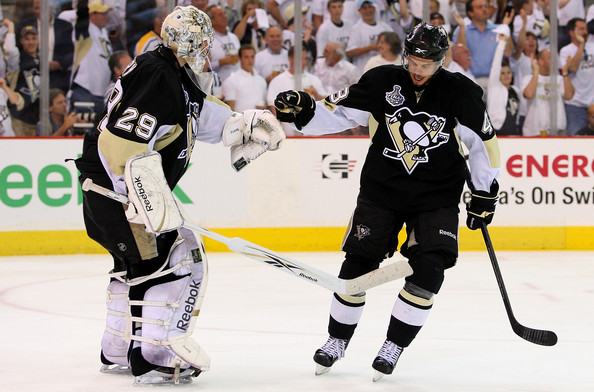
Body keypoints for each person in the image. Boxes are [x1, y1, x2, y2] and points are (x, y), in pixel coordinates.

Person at [273, 22, 501, 380]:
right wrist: (304, 110)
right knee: (357, 265)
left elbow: (483, 145)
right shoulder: (382, 80)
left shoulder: (461, 92)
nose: (417, 69)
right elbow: (339, 113)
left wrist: (486, 192)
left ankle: (393, 345)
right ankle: (337, 340)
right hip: (382, 191)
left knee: (429, 270)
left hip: (436, 197)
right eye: (412, 60)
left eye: (426, 64)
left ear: (441, 61)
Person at [74, 6, 285, 386]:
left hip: (112, 190)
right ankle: (155, 355)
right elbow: (121, 144)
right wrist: (142, 200)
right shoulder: (159, 76)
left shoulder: (171, 74)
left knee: (135, 268)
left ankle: (120, 347)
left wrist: (246, 123)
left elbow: (198, 115)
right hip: (119, 192)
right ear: (188, 44)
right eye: (204, 44)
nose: (208, 52)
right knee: (174, 261)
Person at [71, 0, 113, 120]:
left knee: (97, 132)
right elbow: (82, 14)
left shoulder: (104, 32)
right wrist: (85, 7)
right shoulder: (86, 31)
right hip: (85, 90)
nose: (106, 16)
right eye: (102, 14)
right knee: (83, 130)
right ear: (92, 15)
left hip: (102, 93)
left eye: (106, 13)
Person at [521, 49, 575, 136]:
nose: (554, 61)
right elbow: (529, 94)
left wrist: (565, 72)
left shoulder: (560, 79)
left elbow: (569, 95)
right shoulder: (528, 78)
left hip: (558, 131)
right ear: (541, 62)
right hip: (534, 131)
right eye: (550, 58)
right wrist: (536, 72)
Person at [559, 17, 594, 135]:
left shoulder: (593, 47)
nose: (585, 32)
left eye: (585, 29)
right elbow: (573, 68)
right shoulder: (565, 51)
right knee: (576, 140)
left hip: (592, 104)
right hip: (575, 105)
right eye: (581, 29)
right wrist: (581, 46)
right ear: (571, 33)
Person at [7, 25, 40, 136]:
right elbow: (10, 50)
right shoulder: (17, 60)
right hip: (19, 118)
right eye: (27, 39)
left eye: (34, 38)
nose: (31, 42)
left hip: (37, 119)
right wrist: (10, 27)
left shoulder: (41, 60)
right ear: (21, 41)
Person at [346, 0, 393, 73]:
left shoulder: (385, 27)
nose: (368, 10)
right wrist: (371, 48)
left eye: (370, 7)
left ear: (374, 8)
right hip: (363, 71)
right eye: (364, 8)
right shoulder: (356, 29)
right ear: (359, 10)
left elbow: (396, 44)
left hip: (383, 69)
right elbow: (350, 52)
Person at [487, 31, 521, 135]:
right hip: (497, 131)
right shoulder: (495, 87)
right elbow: (496, 64)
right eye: (502, 73)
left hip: (512, 131)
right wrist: (502, 43)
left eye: (508, 72)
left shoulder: (515, 90)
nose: (506, 75)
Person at [222, 44, 267, 111]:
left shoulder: (261, 80)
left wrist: (264, 107)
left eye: (252, 57)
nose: (250, 60)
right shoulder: (231, 81)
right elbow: (230, 109)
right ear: (240, 59)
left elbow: (264, 103)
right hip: (240, 120)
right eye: (246, 57)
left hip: (259, 119)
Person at [206, 4, 241, 82]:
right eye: (220, 14)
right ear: (212, 21)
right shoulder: (207, 41)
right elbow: (204, 67)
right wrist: (221, 62)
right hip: (218, 85)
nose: (225, 16)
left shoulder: (234, 37)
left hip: (238, 83)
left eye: (224, 13)